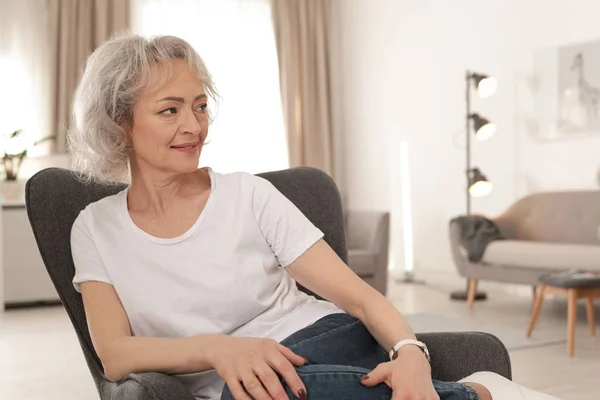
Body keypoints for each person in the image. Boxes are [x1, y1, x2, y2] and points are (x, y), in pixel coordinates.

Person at [68, 33, 558, 400]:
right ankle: (475, 396)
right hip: (233, 380)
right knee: (243, 392)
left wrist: (410, 353)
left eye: (199, 106)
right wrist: (219, 348)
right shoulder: (95, 228)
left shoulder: (247, 195)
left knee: (253, 393)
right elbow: (116, 355)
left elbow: (361, 298)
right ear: (120, 122)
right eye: (169, 110)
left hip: (322, 340)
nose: (194, 126)